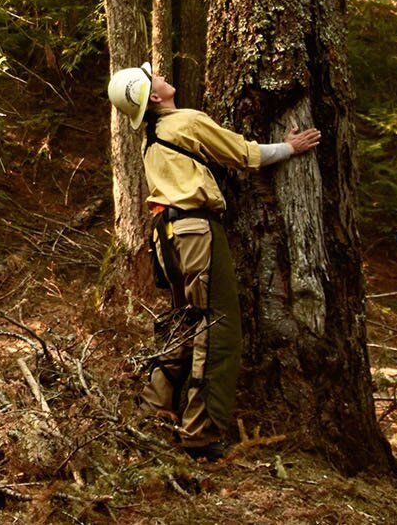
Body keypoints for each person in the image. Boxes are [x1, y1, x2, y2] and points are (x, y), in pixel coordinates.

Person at [106, 63, 320, 459]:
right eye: (154, 78)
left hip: (166, 237)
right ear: (153, 98)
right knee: (218, 328)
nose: (162, 76)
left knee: (185, 322)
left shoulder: (151, 137)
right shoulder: (185, 121)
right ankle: (200, 433)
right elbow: (243, 153)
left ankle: (153, 410)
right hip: (195, 230)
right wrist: (289, 148)